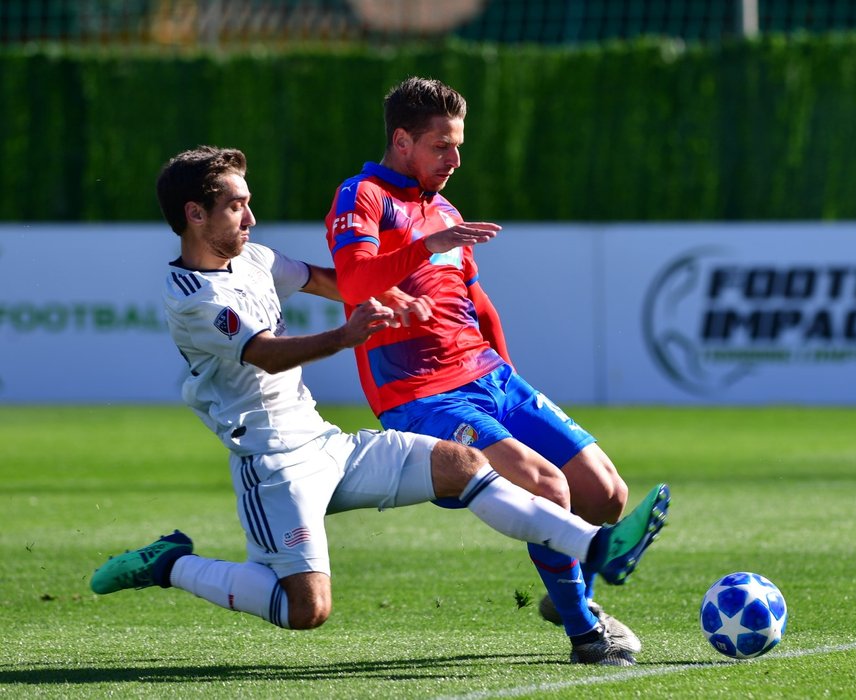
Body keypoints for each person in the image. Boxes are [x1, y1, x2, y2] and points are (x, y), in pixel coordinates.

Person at [89, 146, 670, 642]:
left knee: (462, 464)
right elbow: (265, 352)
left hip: (324, 442)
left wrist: (393, 300)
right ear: (195, 214)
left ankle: (597, 547)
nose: (251, 217)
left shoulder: (256, 259)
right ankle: (171, 563)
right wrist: (348, 335)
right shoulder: (192, 297)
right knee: (305, 610)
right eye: (236, 205)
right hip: (271, 464)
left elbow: (330, 280)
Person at [323, 78, 669, 665]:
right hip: (421, 393)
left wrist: (509, 378)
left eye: (458, 147)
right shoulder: (361, 196)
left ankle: (566, 594)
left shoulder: (445, 210)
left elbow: (478, 305)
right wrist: (429, 247)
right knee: (547, 487)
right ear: (402, 141)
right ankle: (588, 633)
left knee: (606, 493)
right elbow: (354, 285)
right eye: (441, 147)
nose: (454, 161)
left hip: (490, 379)